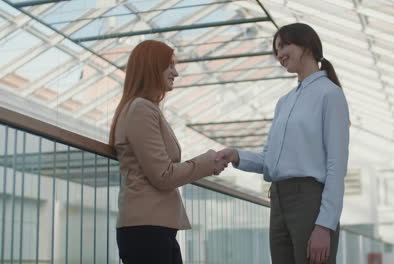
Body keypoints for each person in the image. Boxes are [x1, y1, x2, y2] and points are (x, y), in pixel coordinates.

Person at [216, 23, 350, 264]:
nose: (279, 55)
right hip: (278, 201)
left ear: (307, 45)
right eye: (276, 50)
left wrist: (324, 225)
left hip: (310, 202)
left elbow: (336, 165)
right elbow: (270, 161)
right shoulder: (284, 102)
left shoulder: (330, 95)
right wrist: (236, 155)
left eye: (284, 45)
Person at [109, 40, 227, 264]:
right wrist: (208, 162)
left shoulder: (143, 108)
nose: (176, 72)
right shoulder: (141, 109)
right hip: (146, 231)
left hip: (151, 228)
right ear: (153, 66)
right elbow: (163, 175)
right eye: (170, 65)